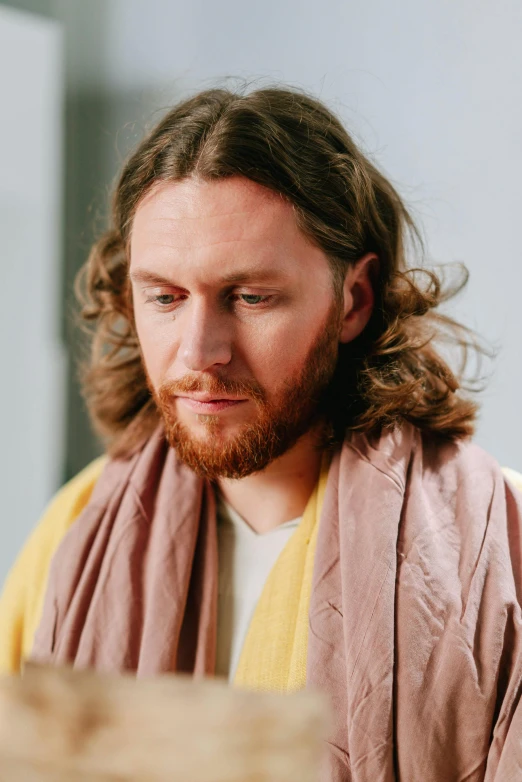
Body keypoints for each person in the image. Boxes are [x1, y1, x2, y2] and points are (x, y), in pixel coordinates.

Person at [1, 86, 521, 781]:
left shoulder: (500, 547)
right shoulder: (75, 529)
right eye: (164, 297)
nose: (198, 353)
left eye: (250, 297)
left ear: (353, 300)